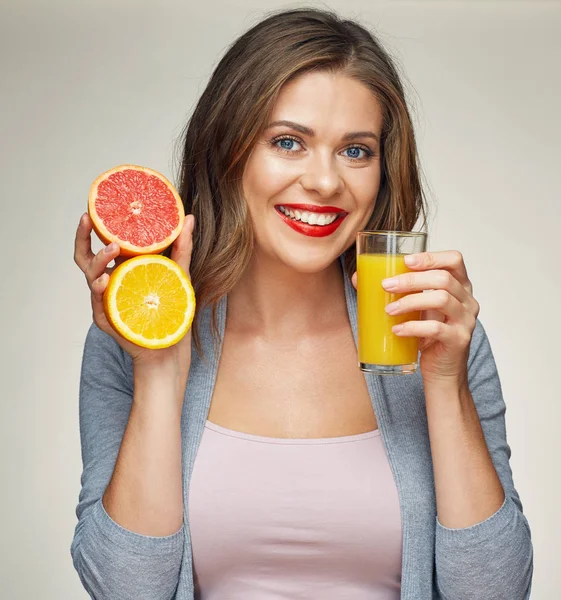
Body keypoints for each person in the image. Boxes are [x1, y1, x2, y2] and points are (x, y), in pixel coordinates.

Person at [71, 7, 533, 600]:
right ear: (228, 151)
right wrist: (158, 370)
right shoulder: (137, 333)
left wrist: (445, 385)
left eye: (357, 151)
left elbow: (496, 593)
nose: (325, 182)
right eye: (288, 142)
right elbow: (123, 589)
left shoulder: (433, 330)